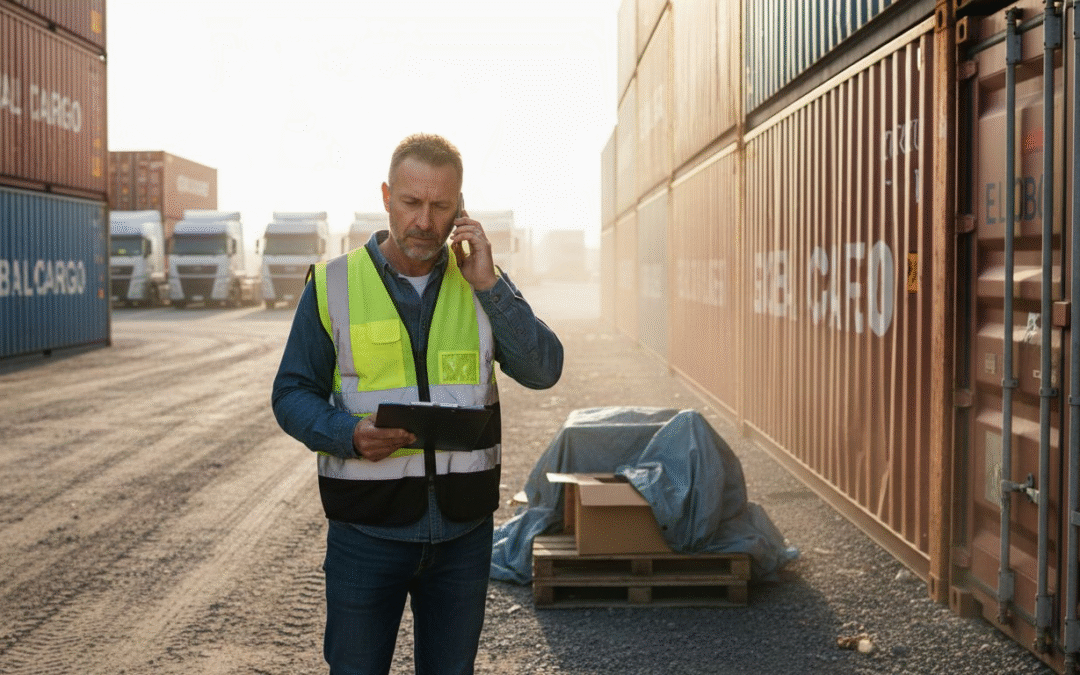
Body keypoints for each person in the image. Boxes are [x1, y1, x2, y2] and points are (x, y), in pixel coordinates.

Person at [271, 133, 563, 675]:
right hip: (366, 536)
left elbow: (544, 370)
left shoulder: (481, 283)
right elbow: (290, 394)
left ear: (460, 210)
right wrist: (347, 434)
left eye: (441, 206)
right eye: (412, 202)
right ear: (386, 197)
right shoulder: (333, 285)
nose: (425, 221)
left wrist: (490, 285)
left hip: (462, 537)